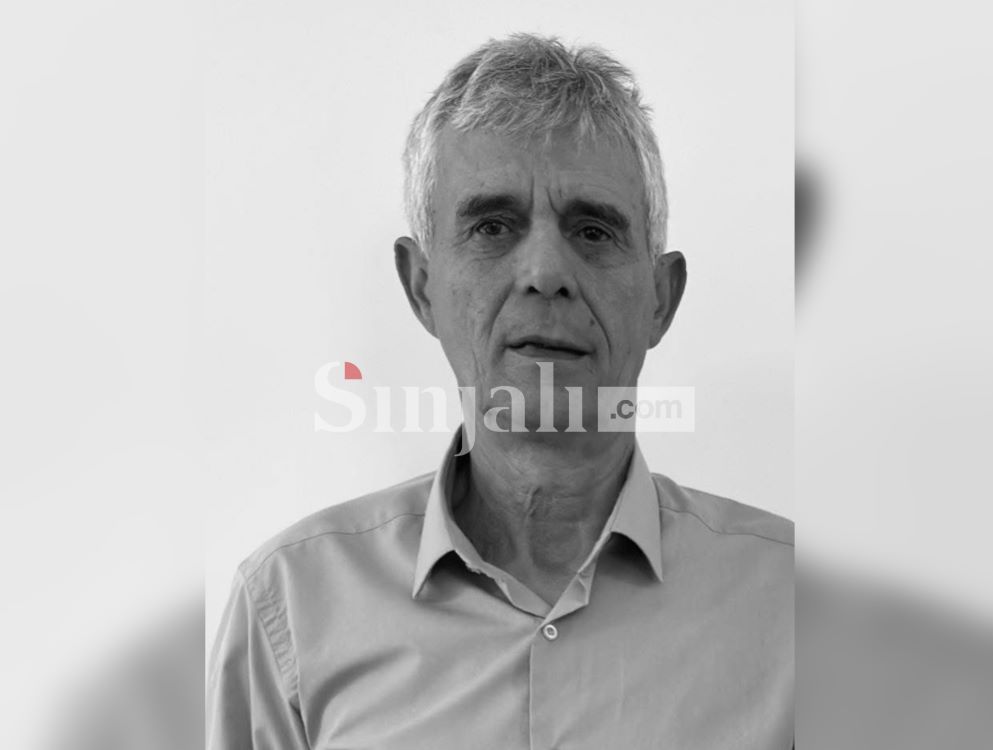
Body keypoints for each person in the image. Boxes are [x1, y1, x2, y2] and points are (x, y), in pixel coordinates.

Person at [208, 33, 793, 749]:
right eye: (492, 226)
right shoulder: (288, 611)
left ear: (661, 299)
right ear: (421, 287)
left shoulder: (800, 614)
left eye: (593, 231)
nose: (546, 272)